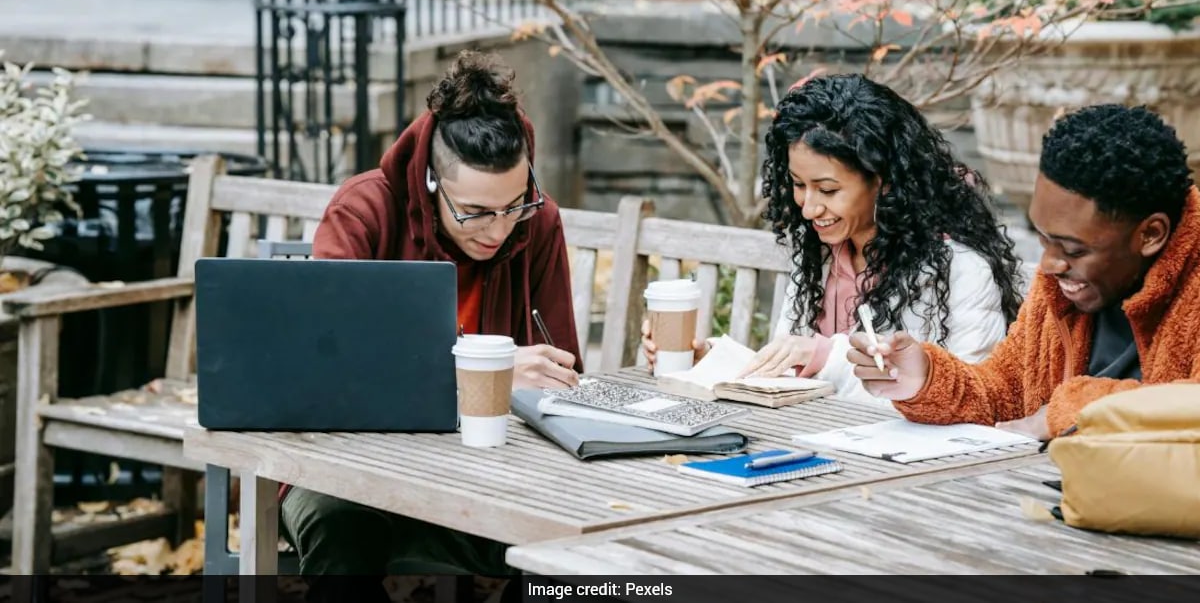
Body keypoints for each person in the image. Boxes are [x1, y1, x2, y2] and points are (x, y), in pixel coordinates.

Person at [281, 50, 581, 599]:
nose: (498, 229)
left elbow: (560, 371)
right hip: (350, 466)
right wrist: (487, 369)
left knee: (573, 544)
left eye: (516, 204)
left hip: (489, 470)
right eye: (474, 212)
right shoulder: (364, 210)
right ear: (432, 184)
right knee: (337, 523)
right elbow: (328, 364)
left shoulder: (538, 225)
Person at [642, 74, 1025, 408]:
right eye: (797, 185)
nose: (809, 208)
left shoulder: (959, 271)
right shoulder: (818, 255)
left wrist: (826, 355)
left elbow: (968, 398)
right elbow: (790, 374)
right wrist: (706, 359)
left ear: (884, 180)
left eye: (827, 189)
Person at [847, 104, 1200, 439]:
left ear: (1151, 234)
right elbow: (1005, 392)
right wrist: (923, 378)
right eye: (1044, 239)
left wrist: (1070, 410)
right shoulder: (1060, 286)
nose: (1047, 265)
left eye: (1074, 249)